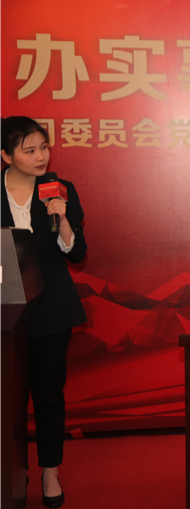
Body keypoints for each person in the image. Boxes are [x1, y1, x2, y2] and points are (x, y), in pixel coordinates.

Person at [1, 116, 87, 508]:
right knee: (7, 398)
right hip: (4, 310)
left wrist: (62, 217)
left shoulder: (59, 189)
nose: (41, 156)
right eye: (29, 150)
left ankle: (50, 472)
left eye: (44, 147)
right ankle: (10, 469)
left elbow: (78, 253)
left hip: (52, 304)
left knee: (48, 394)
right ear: (6, 156)